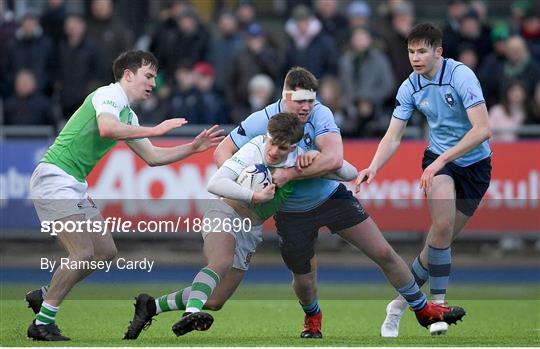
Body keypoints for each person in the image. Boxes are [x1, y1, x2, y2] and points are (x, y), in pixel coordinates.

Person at [213, 66, 466, 339]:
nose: (307, 106)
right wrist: (250, 182)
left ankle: (422, 310)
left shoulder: (321, 113)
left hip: (331, 197)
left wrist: (290, 173)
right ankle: (312, 315)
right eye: (300, 101)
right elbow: (222, 151)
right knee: (305, 281)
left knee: (382, 252)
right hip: (291, 212)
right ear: (285, 97)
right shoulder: (261, 120)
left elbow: (334, 160)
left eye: (311, 100)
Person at [24, 50, 225, 341]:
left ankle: (44, 296)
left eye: (155, 77)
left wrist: (192, 149)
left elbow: (153, 157)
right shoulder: (109, 95)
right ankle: (42, 322)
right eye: (148, 76)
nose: (153, 83)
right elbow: (106, 128)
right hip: (54, 178)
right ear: (128, 75)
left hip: (72, 183)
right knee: (82, 253)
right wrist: (155, 129)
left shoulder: (127, 114)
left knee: (105, 252)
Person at [123, 112, 358, 339]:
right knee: (221, 261)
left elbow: (349, 172)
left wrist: (317, 158)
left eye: (283, 148)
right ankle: (191, 313)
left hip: (250, 227)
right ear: (267, 135)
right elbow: (215, 183)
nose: (275, 151)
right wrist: (253, 196)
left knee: (215, 301)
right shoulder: (254, 149)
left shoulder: (300, 161)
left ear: (294, 146)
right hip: (224, 210)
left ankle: (150, 306)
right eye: (273, 143)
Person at [355, 23, 492, 338]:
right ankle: (438, 307)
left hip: (475, 166)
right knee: (441, 228)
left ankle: (400, 304)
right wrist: (373, 167)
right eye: (411, 51)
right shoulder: (409, 87)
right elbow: (393, 136)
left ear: (438, 52)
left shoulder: (461, 76)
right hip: (438, 163)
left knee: (437, 245)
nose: (415, 58)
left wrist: (445, 158)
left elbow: (483, 130)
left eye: (422, 51)